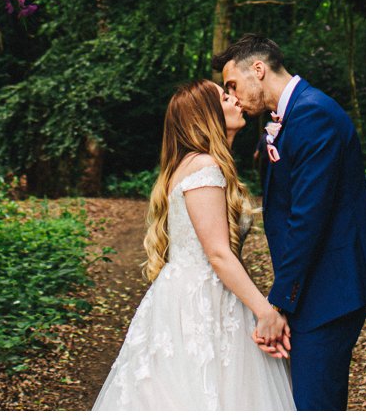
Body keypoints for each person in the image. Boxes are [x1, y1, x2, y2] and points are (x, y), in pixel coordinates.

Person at [216, 34, 366, 411]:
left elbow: (308, 218)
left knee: (315, 403)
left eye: (232, 84)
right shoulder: (294, 114)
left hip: (332, 286)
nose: (231, 94)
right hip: (315, 285)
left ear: (259, 70)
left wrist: (279, 303)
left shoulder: (313, 114)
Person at [92, 80, 296, 410]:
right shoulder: (204, 167)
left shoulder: (195, 164)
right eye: (225, 96)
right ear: (207, 114)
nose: (235, 99)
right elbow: (217, 253)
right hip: (200, 303)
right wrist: (264, 312)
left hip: (194, 294)